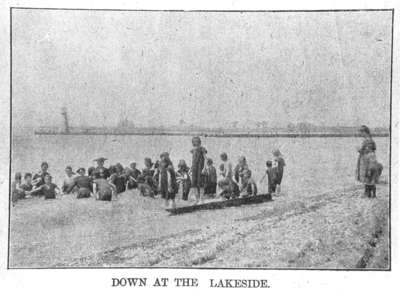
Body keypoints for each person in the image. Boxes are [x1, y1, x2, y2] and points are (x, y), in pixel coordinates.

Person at [356, 125, 383, 198]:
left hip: (367, 159)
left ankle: (368, 194)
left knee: (367, 176)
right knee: (371, 177)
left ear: (364, 132)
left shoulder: (366, 140)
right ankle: (370, 194)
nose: (360, 135)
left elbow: (363, 150)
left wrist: (359, 150)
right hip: (372, 158)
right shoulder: (371, 140)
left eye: (361, 133)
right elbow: (374, 148)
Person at [190, 136, 207, 204]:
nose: (196, 142)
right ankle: (196, 199)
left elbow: (206, 159)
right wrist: (191, 168)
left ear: (199, 142)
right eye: (194, 141)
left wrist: (204, 168)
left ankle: (201, 199)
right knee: (194, 184)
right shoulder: (193, 150)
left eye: (197, 141)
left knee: (200, 183)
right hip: (194, 168)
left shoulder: (202, 149)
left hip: (200, 167)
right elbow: (193, 160)